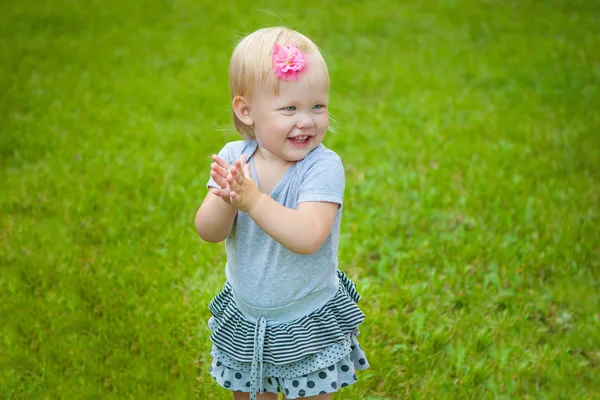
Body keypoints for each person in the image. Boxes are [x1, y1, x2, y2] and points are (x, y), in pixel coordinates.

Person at [195, 26, 369, 400]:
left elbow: (307, 236)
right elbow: (208, 231)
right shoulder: (235, 159)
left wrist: (254, 201)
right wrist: (227, 198)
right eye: (290, 108)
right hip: (247, 315)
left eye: (317, 106)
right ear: (247, 110)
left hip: (306, 319)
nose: (306, 120)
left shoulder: (322, 167)